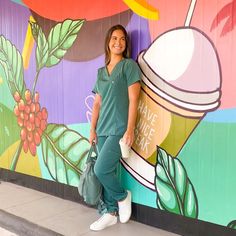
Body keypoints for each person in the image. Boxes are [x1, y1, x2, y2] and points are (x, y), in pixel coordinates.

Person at [89, 24, 141, 231]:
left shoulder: (129, 66)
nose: (118, 42)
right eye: (114, 38)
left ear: (125, 44)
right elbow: (97, 104)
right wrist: (92, 129)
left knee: (101, 169)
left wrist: (130, 129)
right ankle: (110, 213)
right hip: (102, 129)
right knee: (107, 169)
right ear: (108, 43)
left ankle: (122, 196)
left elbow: (134, 99)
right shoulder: (101, 72)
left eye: (122, 39)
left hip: (118, 128)